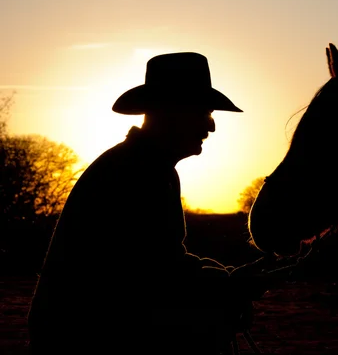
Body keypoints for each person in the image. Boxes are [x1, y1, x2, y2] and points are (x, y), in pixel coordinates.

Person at [27, 52, 259, 354]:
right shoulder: (137, 171)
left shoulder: (143, 165)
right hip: (84, 338)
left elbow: (156, 264)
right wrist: (224, 286)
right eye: (205, 113)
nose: (211, 127)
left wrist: (223, 281)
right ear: (173, 112)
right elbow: (151, 278)